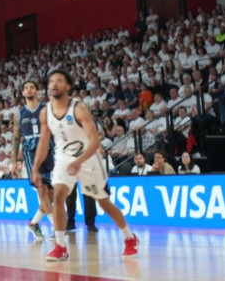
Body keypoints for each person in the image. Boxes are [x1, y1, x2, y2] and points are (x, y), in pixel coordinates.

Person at [31, 69, 139, 262]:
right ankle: (61, 246)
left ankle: (129, 237)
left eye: (59, 80)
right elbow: (43, 142)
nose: (54, 83)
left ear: (68, 86)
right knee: (58, 195)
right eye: (52, 81)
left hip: (87, 157)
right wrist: (35, 168)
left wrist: (78, 162)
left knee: (104, 203)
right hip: (63, 157)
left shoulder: (78, 108)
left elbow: (95, 141)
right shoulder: (45, 112)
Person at [12, 80, 55, 240]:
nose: (29, 90)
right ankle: (57, 228)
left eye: (32, 87)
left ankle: (33, 223)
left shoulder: (46, 109)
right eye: (26, 88)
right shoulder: (19, 113)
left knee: (51, 196)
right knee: (41, 190)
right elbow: (16, 138)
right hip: (31, 153)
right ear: (23, 93)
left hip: (48, 152)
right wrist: (14, 161)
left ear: (37, 91)